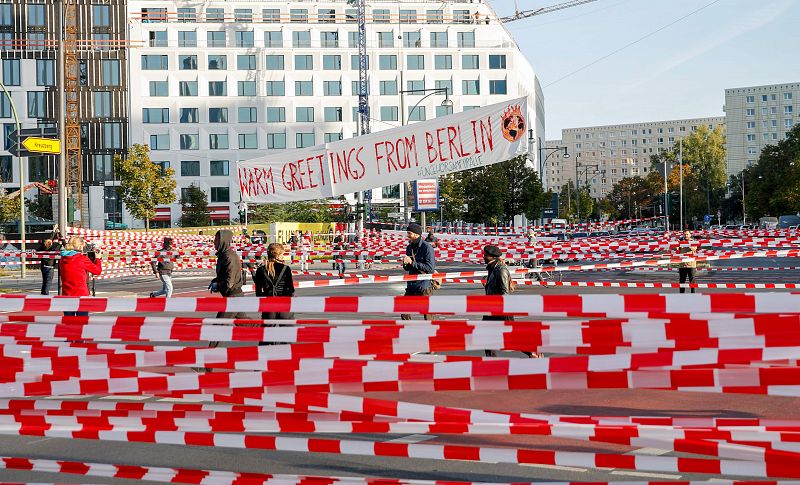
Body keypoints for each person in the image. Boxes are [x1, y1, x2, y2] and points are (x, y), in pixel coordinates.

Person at [401, 223, 436, 320]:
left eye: (409, 233)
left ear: (417, 235)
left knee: (428, 316)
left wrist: (412, 263)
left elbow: (430, 268)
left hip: (424, 286)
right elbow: (408, 268)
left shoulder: (427, 247)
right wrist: (405, 264)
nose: (407, 235)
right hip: (411, 285)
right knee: (404, 311)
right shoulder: (409, 247)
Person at [208, 230, 246, 321]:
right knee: (245, 324)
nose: (214, 242)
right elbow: (223, 275)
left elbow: (229, 282)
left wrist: (218, 285)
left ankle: (265, 328)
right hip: (232, 295)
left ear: (223, 241)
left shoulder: (229, 257)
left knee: (219, 324)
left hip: (233, 297)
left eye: (217, 240)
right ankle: (263, 329)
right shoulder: (223, 255)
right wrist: (215, 281)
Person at [59, 236, 102, 316]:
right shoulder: (82, 259)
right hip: (81, 294)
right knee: (82, 320)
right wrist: (98, 259)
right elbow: (97, 271)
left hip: (66, 294)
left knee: (68, 320)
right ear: (80, 247)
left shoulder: (62, 259)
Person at [254, 243, 295, 319]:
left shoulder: (260, 270)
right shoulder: (286, 269)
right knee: (287, 326)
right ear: (277, 256)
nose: (283, 256)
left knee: (268, 326)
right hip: (283, 304)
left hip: (268, 305)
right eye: (282, 254)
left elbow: (258, 293)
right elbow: (291, 290)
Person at [677, 230, 698, 294]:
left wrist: (688, 243)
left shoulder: (693, 241)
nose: (686, 236)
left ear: (690, 235)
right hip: (682, 265)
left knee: (692, 282)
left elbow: (694, 248)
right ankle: (682, 295)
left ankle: (693, 295)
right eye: (685, 234)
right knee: (682, 282)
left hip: (691, 265)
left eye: (687, 234)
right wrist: (677, 243)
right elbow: (676, 249)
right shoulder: (681, 242)